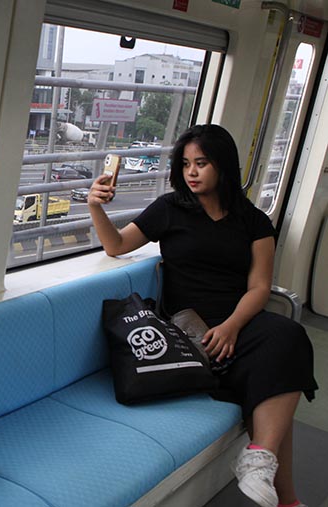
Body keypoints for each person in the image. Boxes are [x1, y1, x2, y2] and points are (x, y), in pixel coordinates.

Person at [88, 124, 317, 507]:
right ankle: (283, 494)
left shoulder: (254, 221)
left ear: (223, 166)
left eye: (202, 163)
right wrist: (95, 205)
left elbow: (259, 287)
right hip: (189, 332)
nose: (192, 172)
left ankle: (261, 461)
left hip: (238, 322)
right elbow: (116, 245)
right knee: (277, 379)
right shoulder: (170, 208)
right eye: (186, 164)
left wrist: (231, 326)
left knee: (288, 338)